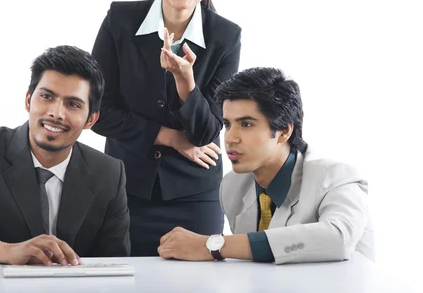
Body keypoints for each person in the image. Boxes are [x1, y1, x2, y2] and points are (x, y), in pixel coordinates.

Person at [91, 0, 242, 256]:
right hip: (123, 189)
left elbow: (207, 132)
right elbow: (95, 111)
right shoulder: (120, 20)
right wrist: (170, 136)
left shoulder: (226, 37)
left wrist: (186, 83)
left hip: (195, 196)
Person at [157, 67, 375, 264]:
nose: (230, 138)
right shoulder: (232, 185)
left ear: (284, 131)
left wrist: (213, 246)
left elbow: (338, 238)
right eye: (227, 124)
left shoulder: (337, 177)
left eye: (246, 124)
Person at [0, 45, 131, 266]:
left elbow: (114, 265)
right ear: (28, 100)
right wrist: (6, 251)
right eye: (46, 96)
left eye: (73, 104)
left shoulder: (109, 174)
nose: (56, 113)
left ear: (90, 120)